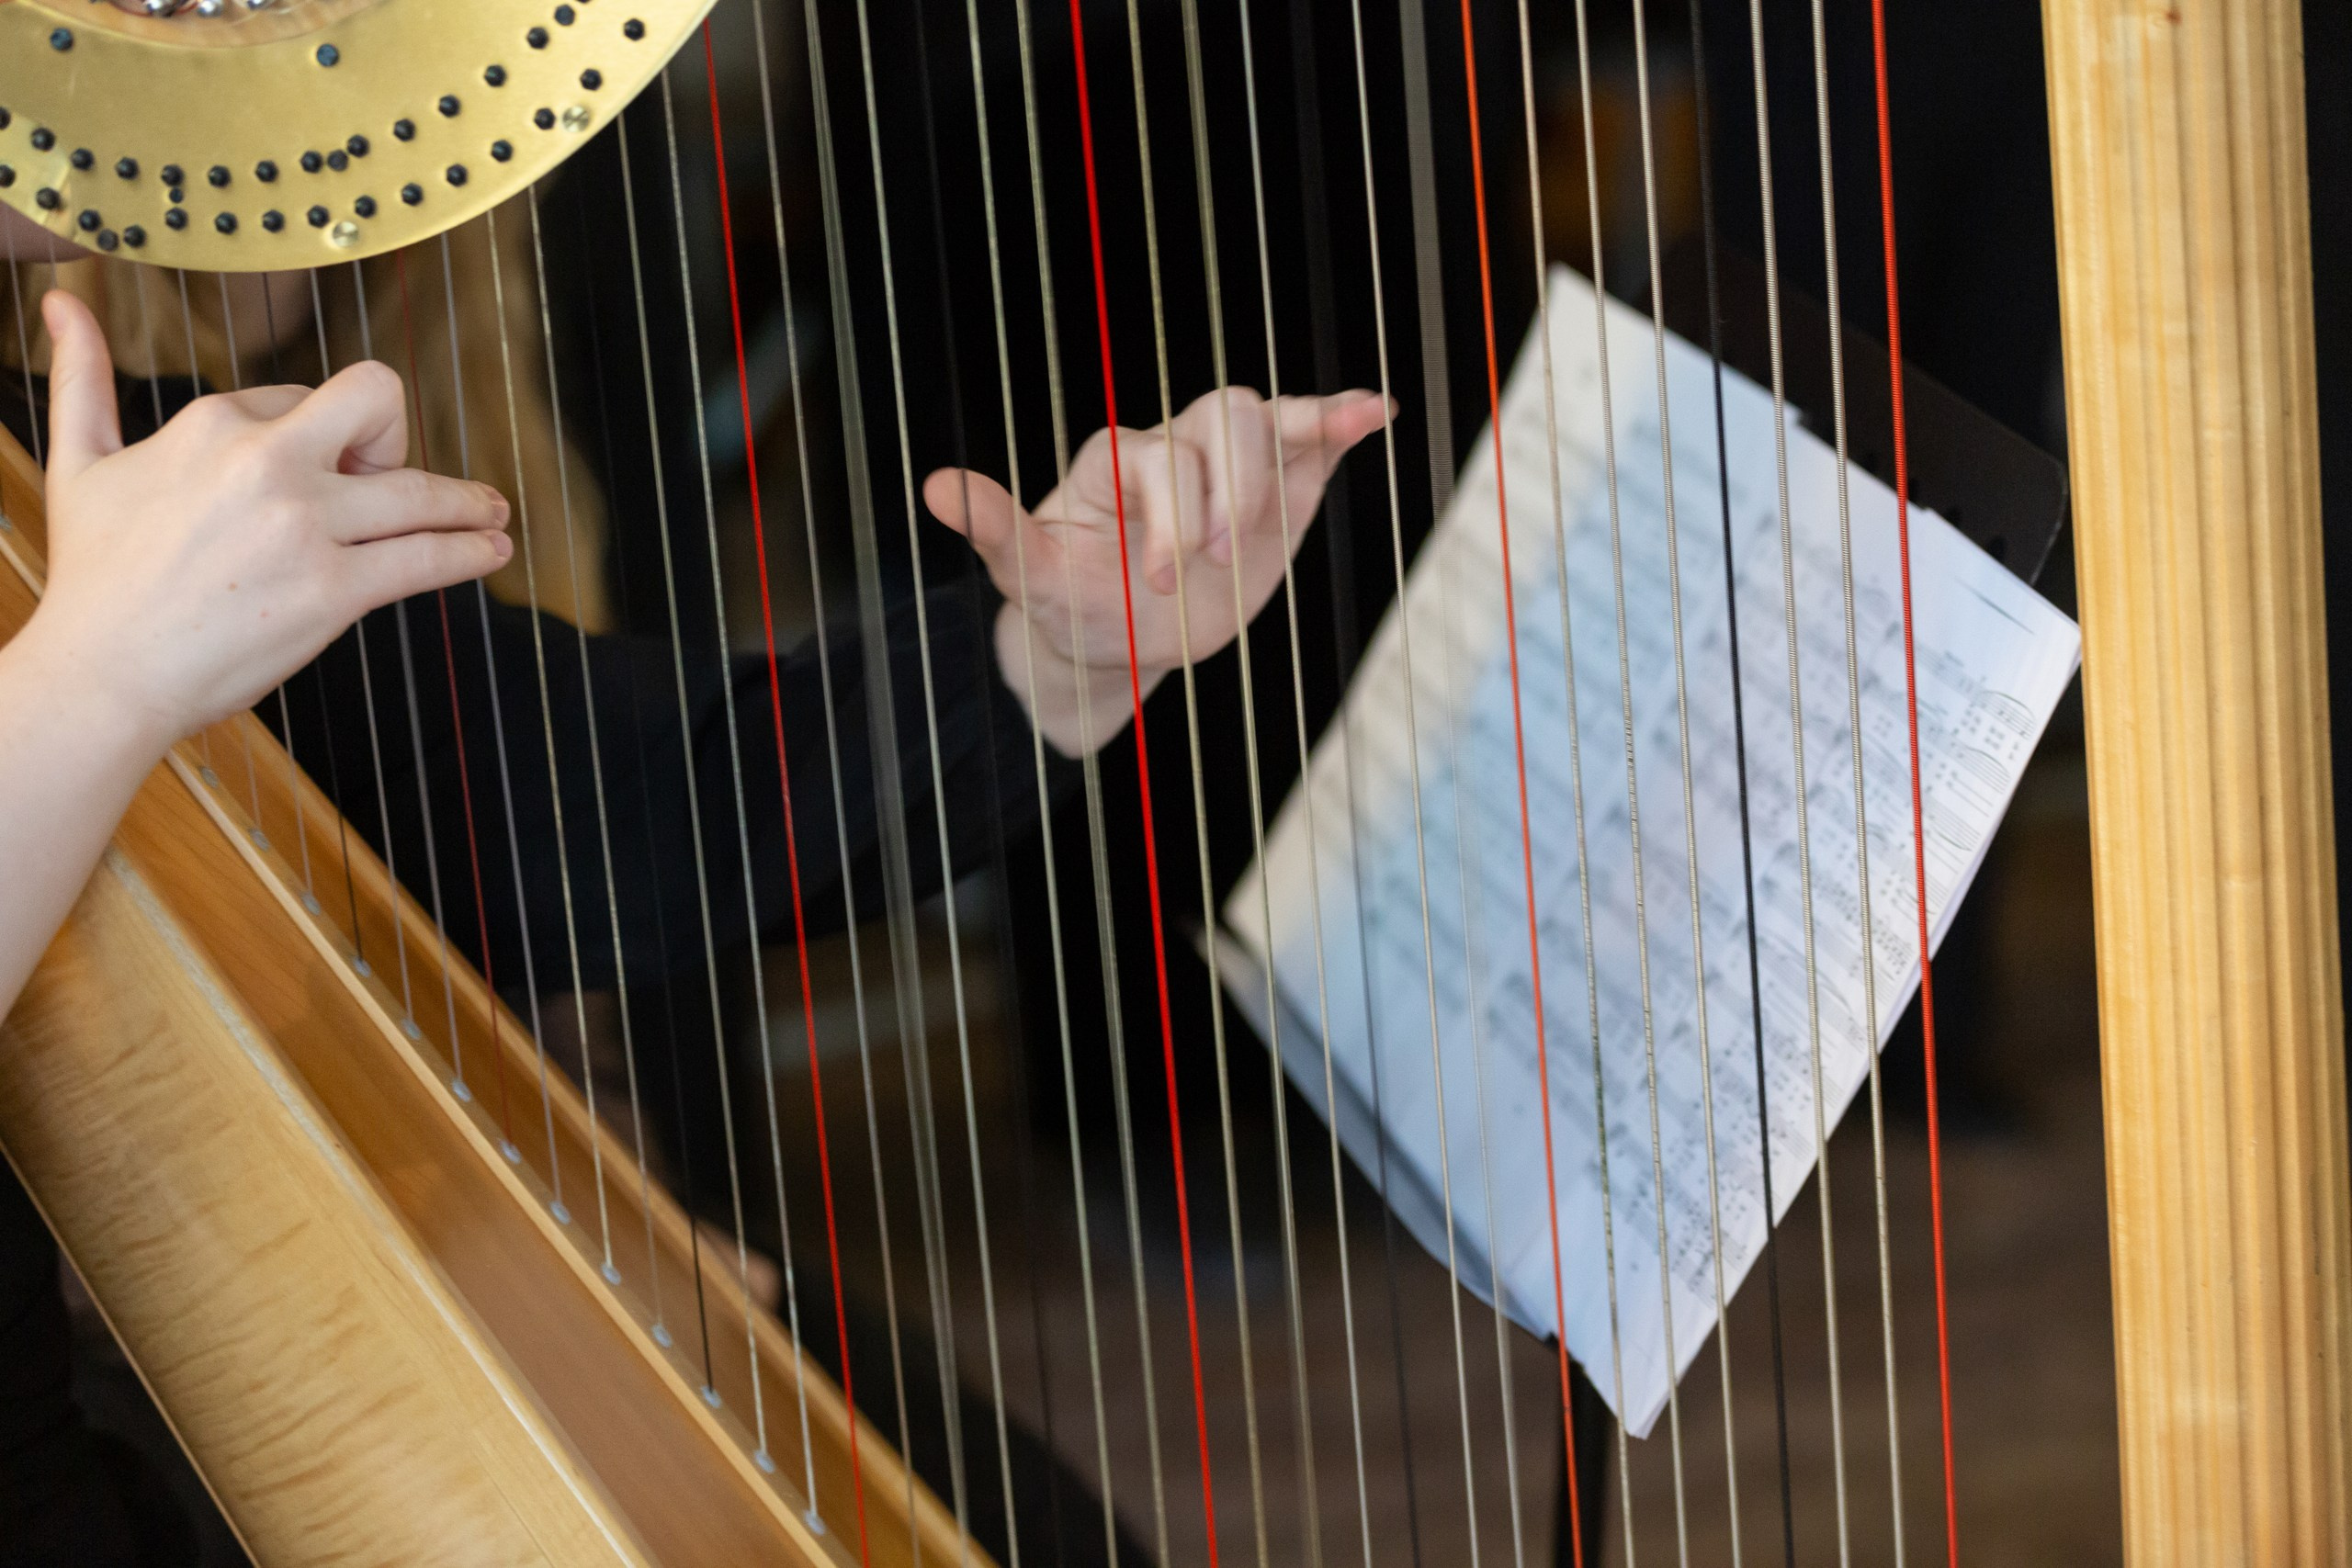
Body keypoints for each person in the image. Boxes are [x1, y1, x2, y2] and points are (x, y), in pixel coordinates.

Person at [0, 176, 1384, 1555]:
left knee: (971, 1500)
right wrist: (94, 683)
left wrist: (1050, 659)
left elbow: (604, 804)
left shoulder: (79, 465)